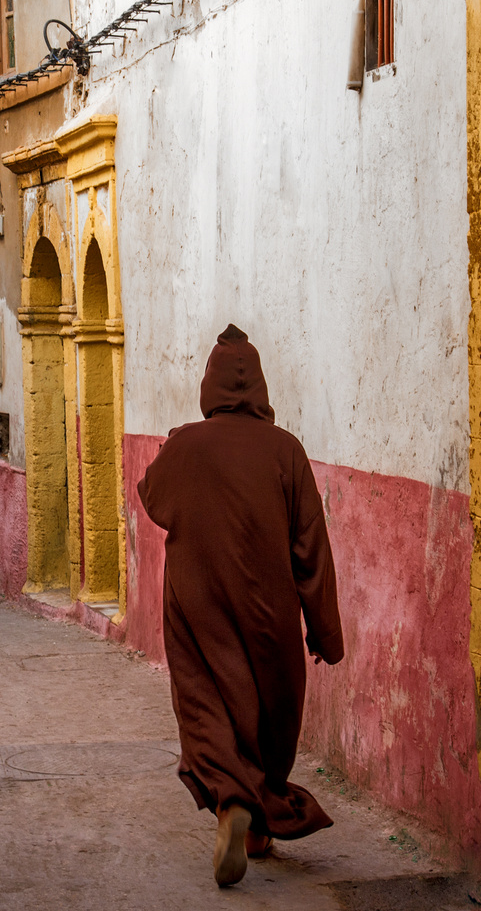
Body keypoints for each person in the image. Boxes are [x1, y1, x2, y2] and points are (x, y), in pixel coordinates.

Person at [137, 324, 345, 887]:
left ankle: (234, 809)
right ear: (259, 387)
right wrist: (324, 632)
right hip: (270, 615)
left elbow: (152, 496)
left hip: (196, 609)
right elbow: (311, 548)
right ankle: (257, 826)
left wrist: (180, 446)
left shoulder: (186, 446)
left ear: (209, 386)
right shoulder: (286, 451)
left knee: (206, 708)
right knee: (269, 719)